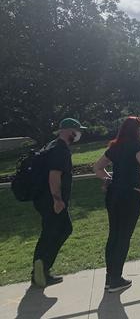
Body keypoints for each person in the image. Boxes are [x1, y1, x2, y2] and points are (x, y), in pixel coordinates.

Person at [93, 116, 140, 293]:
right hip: (130, 195)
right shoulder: (137, 146)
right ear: (135, 130)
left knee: (114, 234)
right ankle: (116, 279)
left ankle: (110, 277)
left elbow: (97, 167)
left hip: (114, 195)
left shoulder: (114, 146)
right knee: (124, 236)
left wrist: (108, 179)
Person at [31, 118, 86, 288]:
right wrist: (57, 199)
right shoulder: (60, 150)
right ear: (69, 131)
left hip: (43, 198)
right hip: (52, 200)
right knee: (59, 230)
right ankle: (41, 267)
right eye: (77, 131)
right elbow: (54, 175)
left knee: (54, 230)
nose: (78, 134)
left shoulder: (52, 145)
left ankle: (41, 268)